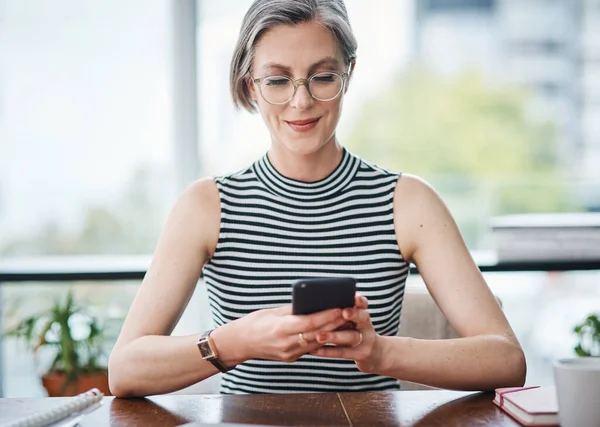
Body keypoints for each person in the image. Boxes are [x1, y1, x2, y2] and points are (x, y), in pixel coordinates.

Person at [108, 0, 526, 397]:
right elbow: (124, 370)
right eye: (277, 80)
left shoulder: (408, 202)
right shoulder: (206, 206)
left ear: (349, 73)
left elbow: (506, 359)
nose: (301, 100)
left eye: (323, 76)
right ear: (249, 86)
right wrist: (234, 342)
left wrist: (380, 352)